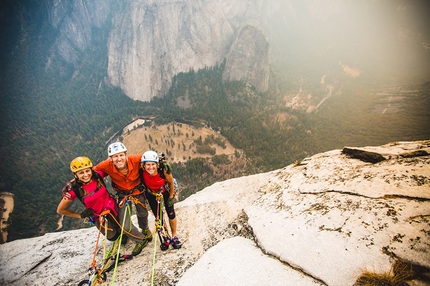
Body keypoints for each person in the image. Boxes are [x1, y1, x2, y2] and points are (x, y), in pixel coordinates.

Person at [93, 142, 152, 255]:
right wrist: (72, 185)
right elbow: (89, 173)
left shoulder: (135, 159)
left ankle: (144, 228)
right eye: (115, 156)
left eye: (121, 155)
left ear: (126, 155)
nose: (119, 159)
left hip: (138, 190)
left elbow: (150, 159)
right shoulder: (106, 165)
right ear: (111, 158)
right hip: (122, 194)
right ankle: (140, 239)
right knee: (124, 224)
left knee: (143, 213)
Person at [57, 156, 121, 241]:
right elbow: (60, 210)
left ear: (91, 170)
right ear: (76, 174)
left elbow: (111, 164)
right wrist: (80, 215)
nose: (86, 175)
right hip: (98, 216)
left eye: (87, 171)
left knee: (123, 230)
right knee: (113, 237)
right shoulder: (74, 190)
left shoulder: (98, 175)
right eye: (81, 173)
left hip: (113, 208)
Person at [140, 151, 182, 249]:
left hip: (165, 190)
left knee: (171, 213)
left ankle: (174, 236)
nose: (150, 167)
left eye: (153, 164)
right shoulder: (142, 172)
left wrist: (171, 196)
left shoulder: (163, 170)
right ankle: (166, 236)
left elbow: (171, 183)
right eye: (148, 165)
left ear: (157, 164)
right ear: (144, 165)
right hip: (152, 193)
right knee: (159, 217)